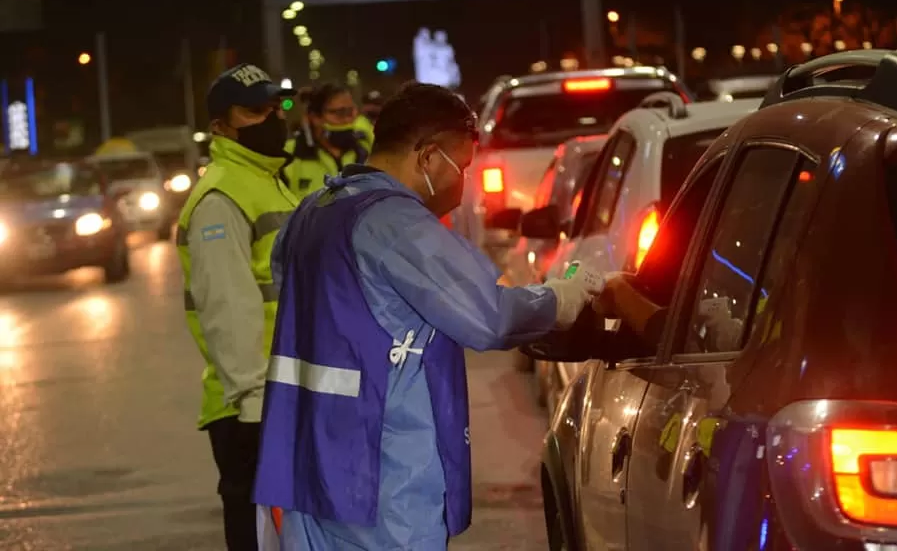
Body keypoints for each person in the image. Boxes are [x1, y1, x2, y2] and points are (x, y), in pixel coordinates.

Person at [253, 82, 604, 549]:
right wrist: (562, 299)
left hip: (306, 465)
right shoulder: (394, 223)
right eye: (463, 167)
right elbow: (488, 316)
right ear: (428, 158)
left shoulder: (313, 210)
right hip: (381, 475)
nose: (463, 185)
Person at [175, 63, 300, 551]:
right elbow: (228, 310)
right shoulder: (220, 197)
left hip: (282, 392)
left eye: (275, 107)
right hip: (252, 406)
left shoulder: (268, 180)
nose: (271, 118)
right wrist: (253, 404)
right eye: (254, 111)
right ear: (220, 126)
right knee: (259, 536)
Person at [283, 83, 372, 198]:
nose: (347, 120)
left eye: (351, 112)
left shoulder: (367, 151)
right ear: (315, 117)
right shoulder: (289, 156)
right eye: (340, 113)